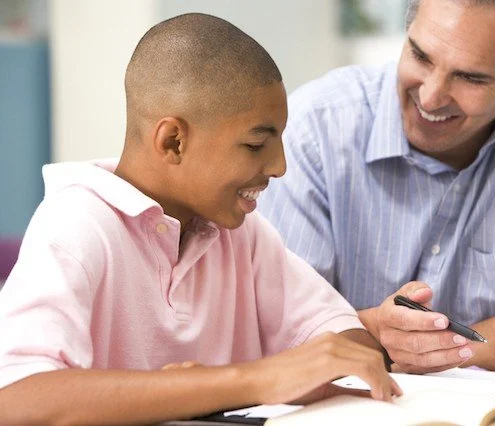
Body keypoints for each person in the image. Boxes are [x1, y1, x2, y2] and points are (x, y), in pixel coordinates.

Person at [0, 13, 401, 425]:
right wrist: (245, 381)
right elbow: (15, 400)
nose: (279, 167)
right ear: (173, 141)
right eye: (256, 144)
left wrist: (315, 368)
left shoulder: (240, 237)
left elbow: (350, 345)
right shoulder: (76, 228)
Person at [259, 0, 495, 381]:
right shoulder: (315, 129)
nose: (430, 97)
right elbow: (277, 342)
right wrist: (382, 329)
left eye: (470, 78)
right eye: (420, 56)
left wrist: (388, 342)